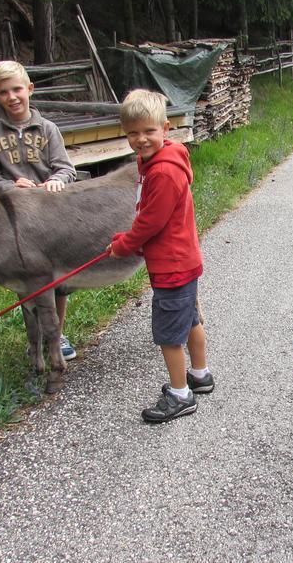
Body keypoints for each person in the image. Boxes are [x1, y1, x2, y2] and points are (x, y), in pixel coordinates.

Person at [108, 89, 213, 423]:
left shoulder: (163, 172)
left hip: (171, 265)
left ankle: (181, 395)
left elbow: (151, 221)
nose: (140, 139)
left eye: (149, 131)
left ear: (165, 129)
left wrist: (124, 244)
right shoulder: (156, 160)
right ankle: (200, 375)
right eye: (132, 133)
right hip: (183, 259)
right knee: (191, 319)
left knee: (169, 334)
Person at [0, 60, 79, 360]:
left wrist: (54, 182)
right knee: (28, 281)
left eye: (17, 89)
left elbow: (66, 168)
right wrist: (11, 187)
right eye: (3, 92)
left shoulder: (48, 129)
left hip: (50, 215)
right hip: (16, 219)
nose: (12, 97)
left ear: (30, 89)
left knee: (57, 281)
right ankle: (34, 338)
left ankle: (57, 334)